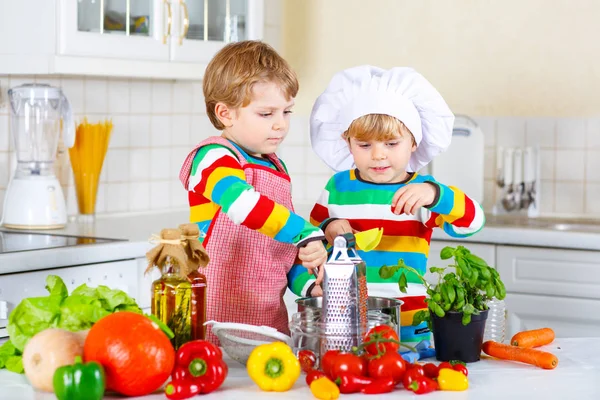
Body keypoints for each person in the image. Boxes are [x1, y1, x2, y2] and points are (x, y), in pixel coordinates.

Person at [309, 66, 485, 346]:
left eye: (391, 143)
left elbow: (472, 224)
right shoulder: (337, 188)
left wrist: (436, 194)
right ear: (347, 141)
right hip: (349, 324)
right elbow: (311, 240)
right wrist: (327, 227)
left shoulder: (422, 193)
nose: (378, 155)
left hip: (410, 327)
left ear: (414, 142)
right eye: (364, 145)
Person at [179, 41, 327, 345]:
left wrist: (310, 285)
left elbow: (281, 256)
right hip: (211, 328)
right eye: (266, 113)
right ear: (225, 113)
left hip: (268, 328)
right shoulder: (213, 157)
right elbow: (242, 204)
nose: (280, 125)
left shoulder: (277, 168)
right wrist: (304, 232)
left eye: (286, 112)